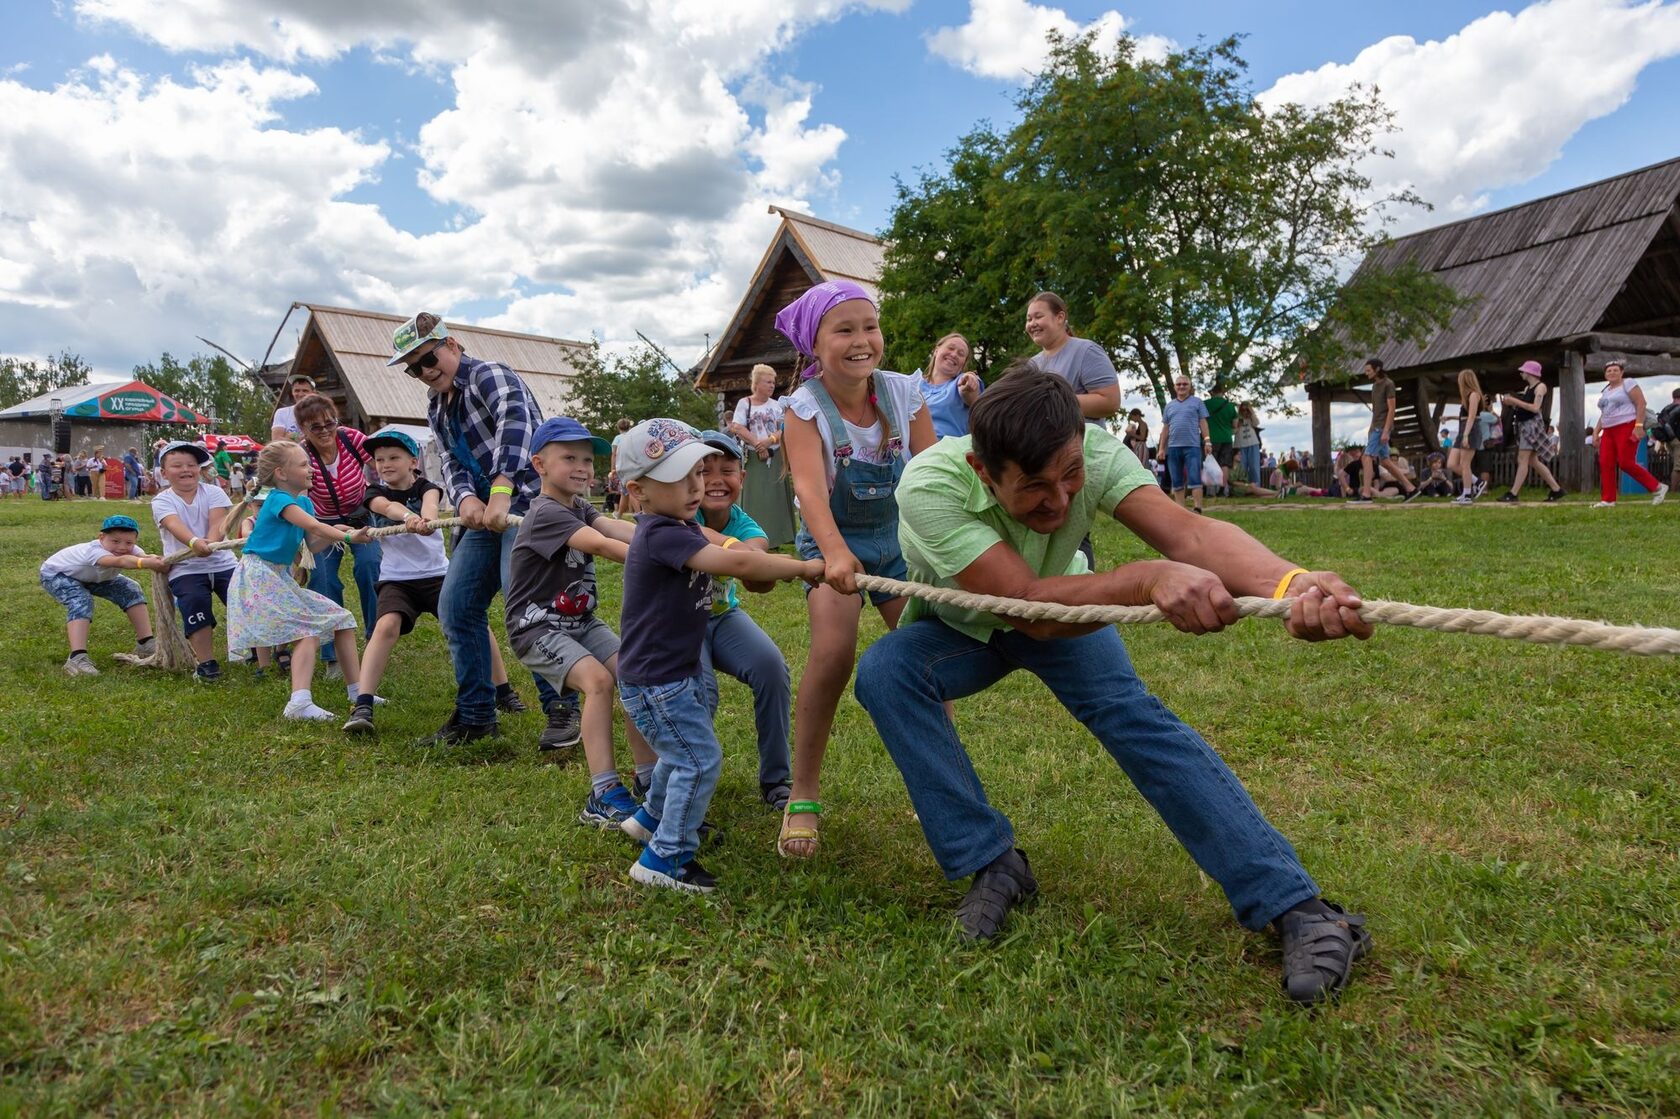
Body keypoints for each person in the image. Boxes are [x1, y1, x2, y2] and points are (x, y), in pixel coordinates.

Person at [853, 367, 1373, 1005]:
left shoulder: (1092, 448)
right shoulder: (930, 483)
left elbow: (1192, 534)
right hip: (974, 623)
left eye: (1070, 476)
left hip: (1067, 607)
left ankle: (1301, 908)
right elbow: (1025, 606)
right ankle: (992, 865)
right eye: (1035, 488)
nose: (1062, 501)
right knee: (886, 673)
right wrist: (1144, 579)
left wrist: (1291, 585)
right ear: (984, 472)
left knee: (1135, 720)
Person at [613, 419, 824, 893]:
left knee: (680, 751)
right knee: (698, 759)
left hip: (666, 673)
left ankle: (649, 819)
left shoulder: (679, 524)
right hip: (657, 682)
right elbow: (740, 562)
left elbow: (750, 553)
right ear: (638, 491)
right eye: (679, 478)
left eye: (697, 474)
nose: (696, 487)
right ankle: (666, 858)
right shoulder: (665, 533)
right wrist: (806, 566)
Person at [776, 281, 937, 859]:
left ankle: (938, 785)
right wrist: (835, 553)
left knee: (926, 656)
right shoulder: (803, 408)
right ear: (815, 345)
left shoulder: (904, 394)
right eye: (843, 330)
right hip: (830, 542)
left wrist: (941, 549)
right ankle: (803, 792)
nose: (861, 340)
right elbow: (808, 490)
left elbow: (929, 472)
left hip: (900, 542)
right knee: (834, 653)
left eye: (869, 326)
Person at [392, 311, 574, 747]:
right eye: (413, 367)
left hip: (526, 509)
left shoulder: (490, 375)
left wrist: (500, 489)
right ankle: (476, 715)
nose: (424, 371)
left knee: (526, 609)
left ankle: (563, 710)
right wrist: (467, 498)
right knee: (457, 607)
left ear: (451, 344)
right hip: (484, 514)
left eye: (428, 358)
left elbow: (517, 425)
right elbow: (451, 459)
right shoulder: (437, 405)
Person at [502, 417, 655, 822]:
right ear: (539, 464)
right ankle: (603, 793)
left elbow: (615, 527)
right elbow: (602, 545)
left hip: (580, 622)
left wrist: (665, 536)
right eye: (569, 457)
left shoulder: (580, 505)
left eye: (587, 459)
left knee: (633, 673)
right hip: (536, 627)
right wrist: (665, 556)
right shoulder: (545, 512)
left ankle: (649, 778)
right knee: (599, 683)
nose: (582, 467)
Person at [342, 429, 525, 735]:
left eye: (394, 457)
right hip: (396, 580)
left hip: (438, 576)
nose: (385, 464)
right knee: (385, 626)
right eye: (379, 459)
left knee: (472, 622)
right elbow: (386, 508)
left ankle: (504, 691)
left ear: (413, 461)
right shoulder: (373, 492)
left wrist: (423, 518)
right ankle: (363, 704)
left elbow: (429, 505)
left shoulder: (429, 487)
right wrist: (407, 518)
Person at [224, 441, 370, 721]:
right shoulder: (278, 498)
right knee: (307, 629)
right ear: (281, 473)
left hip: (278, 576)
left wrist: (335, 531)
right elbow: (314, 526)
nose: (311, 468)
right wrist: (349, 537)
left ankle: (357, 692)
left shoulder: (303, 502)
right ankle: (299, 703)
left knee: (343, 618)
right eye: (303, 464)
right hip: (258, 576)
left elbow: (312, 544)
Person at [693, 430, 795, 811]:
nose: (716, 480)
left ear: (743, 477)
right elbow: (695, 535)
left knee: (771, 668)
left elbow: (759, 579)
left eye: (728, 469)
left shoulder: (748, 526)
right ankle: (684, 779)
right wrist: (738, 552)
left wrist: (762, 567)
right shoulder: (679, 512)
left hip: (722, 617)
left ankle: (776, 780)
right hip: (678, 623)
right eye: (704, 470)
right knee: (701, 693)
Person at [293, 394, 382, 678]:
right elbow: (296, 494)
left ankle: (374, 641)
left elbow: (380, 463)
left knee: (370, 567)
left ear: (336, 420)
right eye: (314, 427)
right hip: (322, 524)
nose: (324, 431)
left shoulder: (351, 439)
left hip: (361, 517)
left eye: (328, 423)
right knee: (323, 579)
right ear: (303, 430)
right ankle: (332, 655)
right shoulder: (301, 454)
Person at [151, 440, 238, 683]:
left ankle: (254, 652)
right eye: (177, 465)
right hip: (185, 568)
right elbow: (173, 524)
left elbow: (218, 524)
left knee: (244, 601)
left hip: (224, 563)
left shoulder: (214, 492)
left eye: (191, 464)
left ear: (200, 469)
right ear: (164, 472)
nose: (186, 470)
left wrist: (209, 543)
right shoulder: (162, 500)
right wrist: (194, 544)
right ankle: (207, 663)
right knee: (195, 604)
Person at [39, 514, 162, 675]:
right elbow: (120, 562)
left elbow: (143, 556)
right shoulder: (95, 551)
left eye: (129, 542)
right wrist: (144, 563)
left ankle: (145, 643)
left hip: (91, 577)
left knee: (131, 589)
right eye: (115, 541)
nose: (122, 547)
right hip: (58, 574)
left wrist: (157, 559)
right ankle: (77, 659)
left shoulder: (132, 549)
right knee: (81, 600)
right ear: (101, 537)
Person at [726, 364, 797, 546]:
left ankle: (780, 537)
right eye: (768, 382)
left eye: (773, 382)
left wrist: (769, 440)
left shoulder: (776, 405)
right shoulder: (745, 403)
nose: (772, 385)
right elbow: (737, 426)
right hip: (754, 459)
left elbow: (785, 428)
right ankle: (755, 537)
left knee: (776, 497)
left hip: (775, 456)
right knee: (756, 499)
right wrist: (757, 443)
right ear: (757, 383)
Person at [1591, 359, 1666, 507]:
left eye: (1615, 370)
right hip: (1608, 429)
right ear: (1605, 374)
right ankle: (1608, 499)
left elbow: (1641, 403)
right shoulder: (1606, 391)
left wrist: (1638, 425)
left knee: (1626, 463)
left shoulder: (1628, 383)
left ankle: (1657, 487)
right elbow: (1605, 413)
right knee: (1605, 462)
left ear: (1622, 372)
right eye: (1609, 371)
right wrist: (1596, 431)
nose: (1612, 372)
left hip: (1626, 425)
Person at [1496, 361, 1566, 503]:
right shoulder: (1528, 387)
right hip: (1526, 425)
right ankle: (1556, 489)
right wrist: (1513, 403)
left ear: (1530, 372)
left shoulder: (1540, 387)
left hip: (1531, 427)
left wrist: (1515, 401)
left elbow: (1535, 408)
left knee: (1522, 459)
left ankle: (1513, 493)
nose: (1521, 373)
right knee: (1533, 461)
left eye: (1523, 371)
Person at [1354, 359, 1420, 503]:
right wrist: (1371, 429)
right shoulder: (1374, 386)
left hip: (1382, 428)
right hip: (1375, 427)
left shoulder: (1388, 384)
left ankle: (1366, 495)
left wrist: (1385, 431)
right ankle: (1411, 488)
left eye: (1368, 370)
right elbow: (1376, 411)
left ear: (1377, 369)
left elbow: (1391, 409)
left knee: (1366, 458)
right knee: (1385, 462)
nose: (1366, 373)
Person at [1160, 375, 1211, 514]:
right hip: (1173, 448)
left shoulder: (1197, 402)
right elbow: (1165, 429)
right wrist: (1161, 449)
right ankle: (1180, 510)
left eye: (1185, 384)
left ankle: (1197, 508)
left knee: (1194, 478)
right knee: (1176, 480)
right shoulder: (1169, 406)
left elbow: (1203, 423)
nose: (1182, 387)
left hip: (1192, 446)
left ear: (1190, 387)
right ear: (1175, 387)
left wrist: (1207, 440)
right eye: (1179, 384)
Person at [917, 333, 983, 439]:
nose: (954, 354)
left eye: (961, 354)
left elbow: (971, 394)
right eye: (951, 348)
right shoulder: (914, 384)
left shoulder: (960, 382)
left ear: (963, 364)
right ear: (936, 350)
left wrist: (970, 381)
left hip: (943, 451)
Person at [1449, 369, 1486, 505]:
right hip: (1462, 428)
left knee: (1465, 464)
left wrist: (1465, 435)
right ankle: (1478, 482)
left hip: (1470, 429)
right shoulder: (1466, 397)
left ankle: (1467, 493)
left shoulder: (1474, 395)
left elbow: (1472, 416)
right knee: (1452, 463)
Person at [606, 418, 641, 518]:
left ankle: (639, 514)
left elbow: (614, 454)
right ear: (629, 427)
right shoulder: (632, 437)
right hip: (634, 466)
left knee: (629, 490)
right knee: (625, 492)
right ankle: (619, 514)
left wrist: (613, 469)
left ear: (618, 427)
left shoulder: (617, 438)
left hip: (622, 467)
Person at [1205, 385, 1237, 489]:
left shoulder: (1206, 404)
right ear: (1222, 393)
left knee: (1210, 463)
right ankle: (1223, 489)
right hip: (1227, 438)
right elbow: (1235, 425)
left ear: (1212, 393)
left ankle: (1211, 490)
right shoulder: (1230, 406)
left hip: (1210, 438)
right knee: (1225, 464)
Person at [269, 374, 318, 442]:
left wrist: (290, 436)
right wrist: (299, 437)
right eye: (297, 391)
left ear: (313, 393)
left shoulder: (319, 412)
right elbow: (276, 441)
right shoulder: (282, 413)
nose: (300, 394)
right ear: (292, 392)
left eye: (305, 391)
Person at [1233, 402, 1263, 489]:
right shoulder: (1237, 417)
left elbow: (1256, 423)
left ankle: (1256, 488)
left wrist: (1251, 413)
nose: (1245, 412)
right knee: (1242, 467)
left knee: (1254, 467)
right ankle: (1243, 488)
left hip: (1253, 444)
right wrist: (1238, 423)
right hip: (1240, 445)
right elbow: (1233, 430)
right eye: (1243, 410)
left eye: (1247, 409)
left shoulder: (1251, 418)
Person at [1658, 387, 1680, 493]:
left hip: (1668, 440)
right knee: (1678, 467)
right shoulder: (1678, 408)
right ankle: (1673, 492)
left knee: (1676, 464)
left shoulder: (1666, 408)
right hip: (1677, 440)